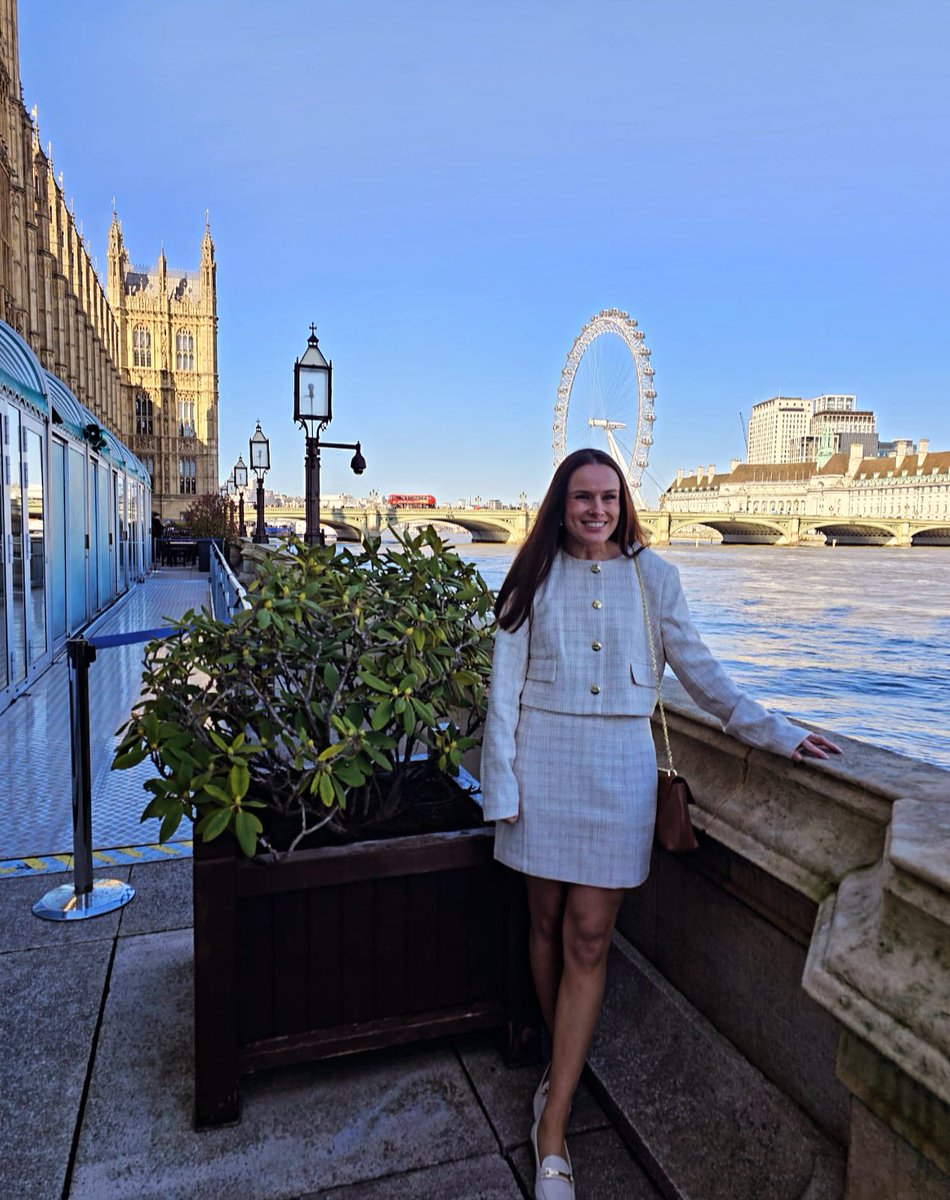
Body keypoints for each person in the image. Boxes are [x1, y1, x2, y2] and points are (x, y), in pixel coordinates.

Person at [480, 448, 840, 1200]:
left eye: (609, 497)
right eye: (584, 497)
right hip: (542, 767)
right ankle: (558, 1069)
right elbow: (503, 690)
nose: (598, 510)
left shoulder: (657, 578)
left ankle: (554, 1130)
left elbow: (704, 674)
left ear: (625, 504)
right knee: (543, 924)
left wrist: (776, 731)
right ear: (560, 505)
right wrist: (502, 784)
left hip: (619, 771)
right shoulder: (530, 576)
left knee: (588, 936)